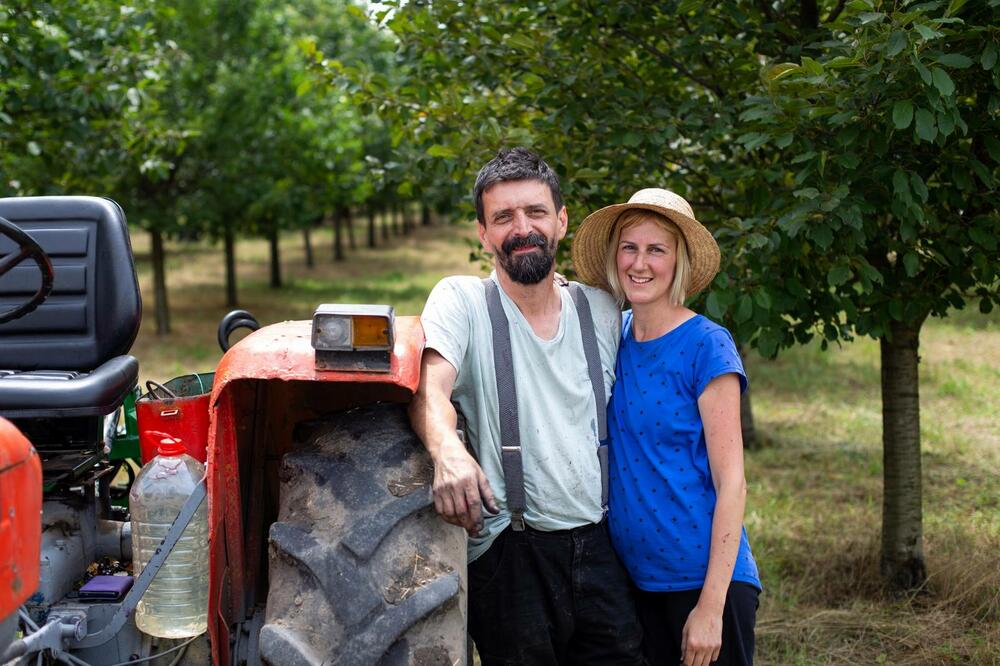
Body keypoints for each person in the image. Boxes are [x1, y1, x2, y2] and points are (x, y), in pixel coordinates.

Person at [408, 147, 644, 665]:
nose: (522, 228)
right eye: (503, 217)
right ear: (483, 233)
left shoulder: (602, 308)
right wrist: (447, 450)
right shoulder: (461, 301)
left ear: (561, 220)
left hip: (603, 544)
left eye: (535, 212)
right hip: (510, 551)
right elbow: (430, 386)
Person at [571, 188, 761, 666]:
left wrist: (711, 607)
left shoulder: (706, 345)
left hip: (704, 581)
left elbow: (731, 481)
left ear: (678, 262)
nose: (640, 263)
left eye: (657, 250)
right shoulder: (612, 337)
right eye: (630, 247)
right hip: (636, 583)